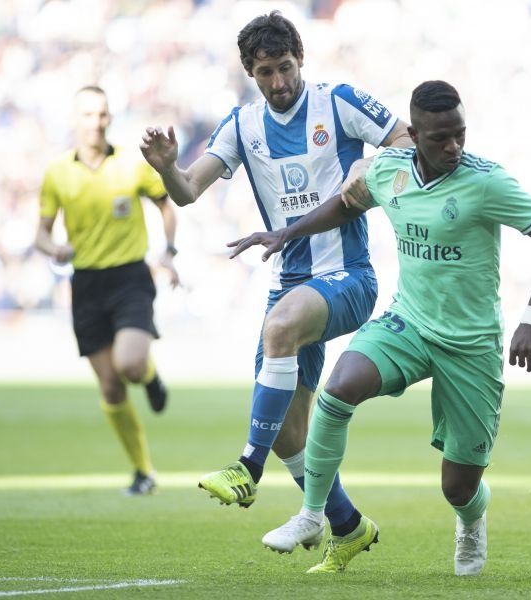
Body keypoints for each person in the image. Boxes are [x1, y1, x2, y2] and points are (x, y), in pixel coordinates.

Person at [229, 80, 531, 575]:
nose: (453, 146)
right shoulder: (389, 170)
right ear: (415, 134)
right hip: (408, 323)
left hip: (470, 344)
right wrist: (288, 232)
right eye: (440, 138)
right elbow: (347, 204)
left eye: (460, 134)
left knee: (458, 486)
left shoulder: (487, 182)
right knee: (338, 389)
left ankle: (471, 519)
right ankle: (312, 515)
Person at [139, 11, 412, 548]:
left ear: (300, 59)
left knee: (280, 327)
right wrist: (167, 167)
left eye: (285, 67)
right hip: (289, 284)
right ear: (251, 72)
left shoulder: (338, 102)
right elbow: (187, 191)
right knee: (289, 431)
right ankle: (348, 525)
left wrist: (370, 167)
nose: (279, 82)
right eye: (265, 72)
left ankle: (247, 467)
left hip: (348, 275)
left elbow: (405, 137)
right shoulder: (243, 125)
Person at [35, 85, 179, 496]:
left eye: (101, 114)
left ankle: (148, 375)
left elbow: (167, 206)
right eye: (87, 114)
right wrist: (54, 248)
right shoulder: (57, 172)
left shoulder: (132, 164)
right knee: (111, 387)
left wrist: (168, 252)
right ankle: (143, 471)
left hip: (130, 278)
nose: (95, 122)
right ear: (74, 119)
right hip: (86, 284)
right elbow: (40, 234)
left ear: (110, 118)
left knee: (129, 364)